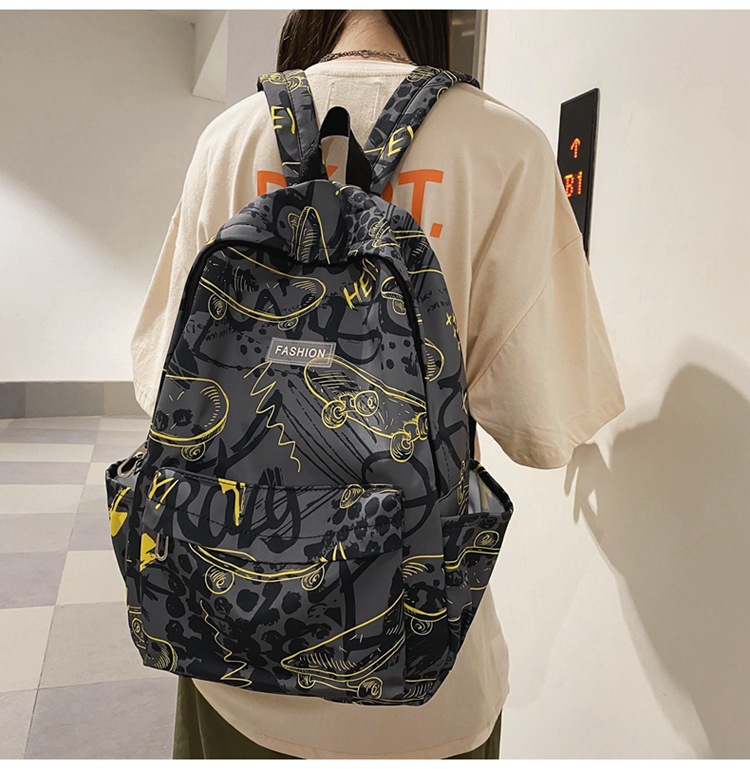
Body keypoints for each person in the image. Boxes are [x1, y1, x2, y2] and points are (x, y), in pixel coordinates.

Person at [130, 9, 626, 760]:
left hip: (226, 650)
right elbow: (545, 425)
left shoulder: (228, 139)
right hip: (422, 679)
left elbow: (160, 391)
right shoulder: (507, 147)